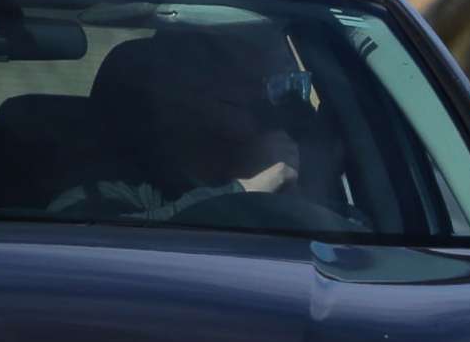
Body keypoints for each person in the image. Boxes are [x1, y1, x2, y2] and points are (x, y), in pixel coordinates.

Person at [48, 30, 310, 222]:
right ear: (174, 93)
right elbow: (84, 244)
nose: (267, 97)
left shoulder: (296, 171)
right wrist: (244, 192)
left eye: (281, 82)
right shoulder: (108, 188)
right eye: (240, 74)